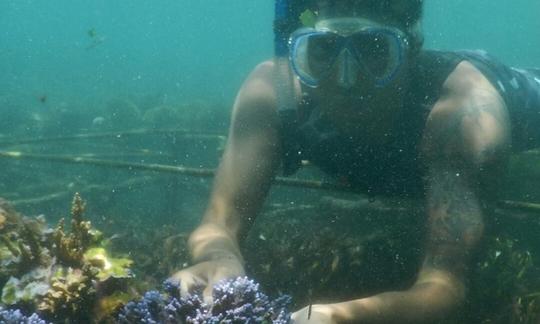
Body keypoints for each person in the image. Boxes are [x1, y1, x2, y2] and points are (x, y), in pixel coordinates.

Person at [172, 0, 540, 322]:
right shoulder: (272, 92)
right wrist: (219, 258)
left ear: (411, 51)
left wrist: (342, 319)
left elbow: (446, 287)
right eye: (323, 49)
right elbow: (217, 225)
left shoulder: (464, 113)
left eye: (375, 48)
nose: (346, 79)